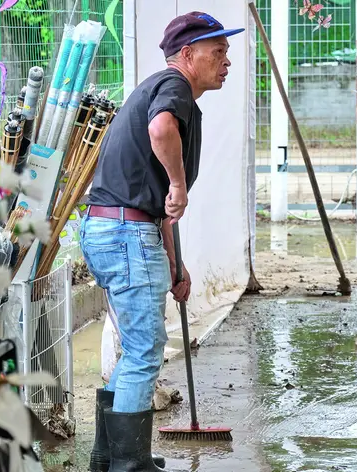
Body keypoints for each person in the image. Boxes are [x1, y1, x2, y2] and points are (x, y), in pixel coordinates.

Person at [79, 11, 243, 472]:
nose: (226, 60)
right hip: (126, 234)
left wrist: (176, 266)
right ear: (188, 55)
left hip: (116, 230)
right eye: (218, 51)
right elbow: (160, 133)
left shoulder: (162, 89)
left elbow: (156, 209)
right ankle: (127, 466)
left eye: (227, 51)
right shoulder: (173, 89)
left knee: (135, 346)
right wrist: (178, 183)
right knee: (145, 350)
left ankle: (108, 457)